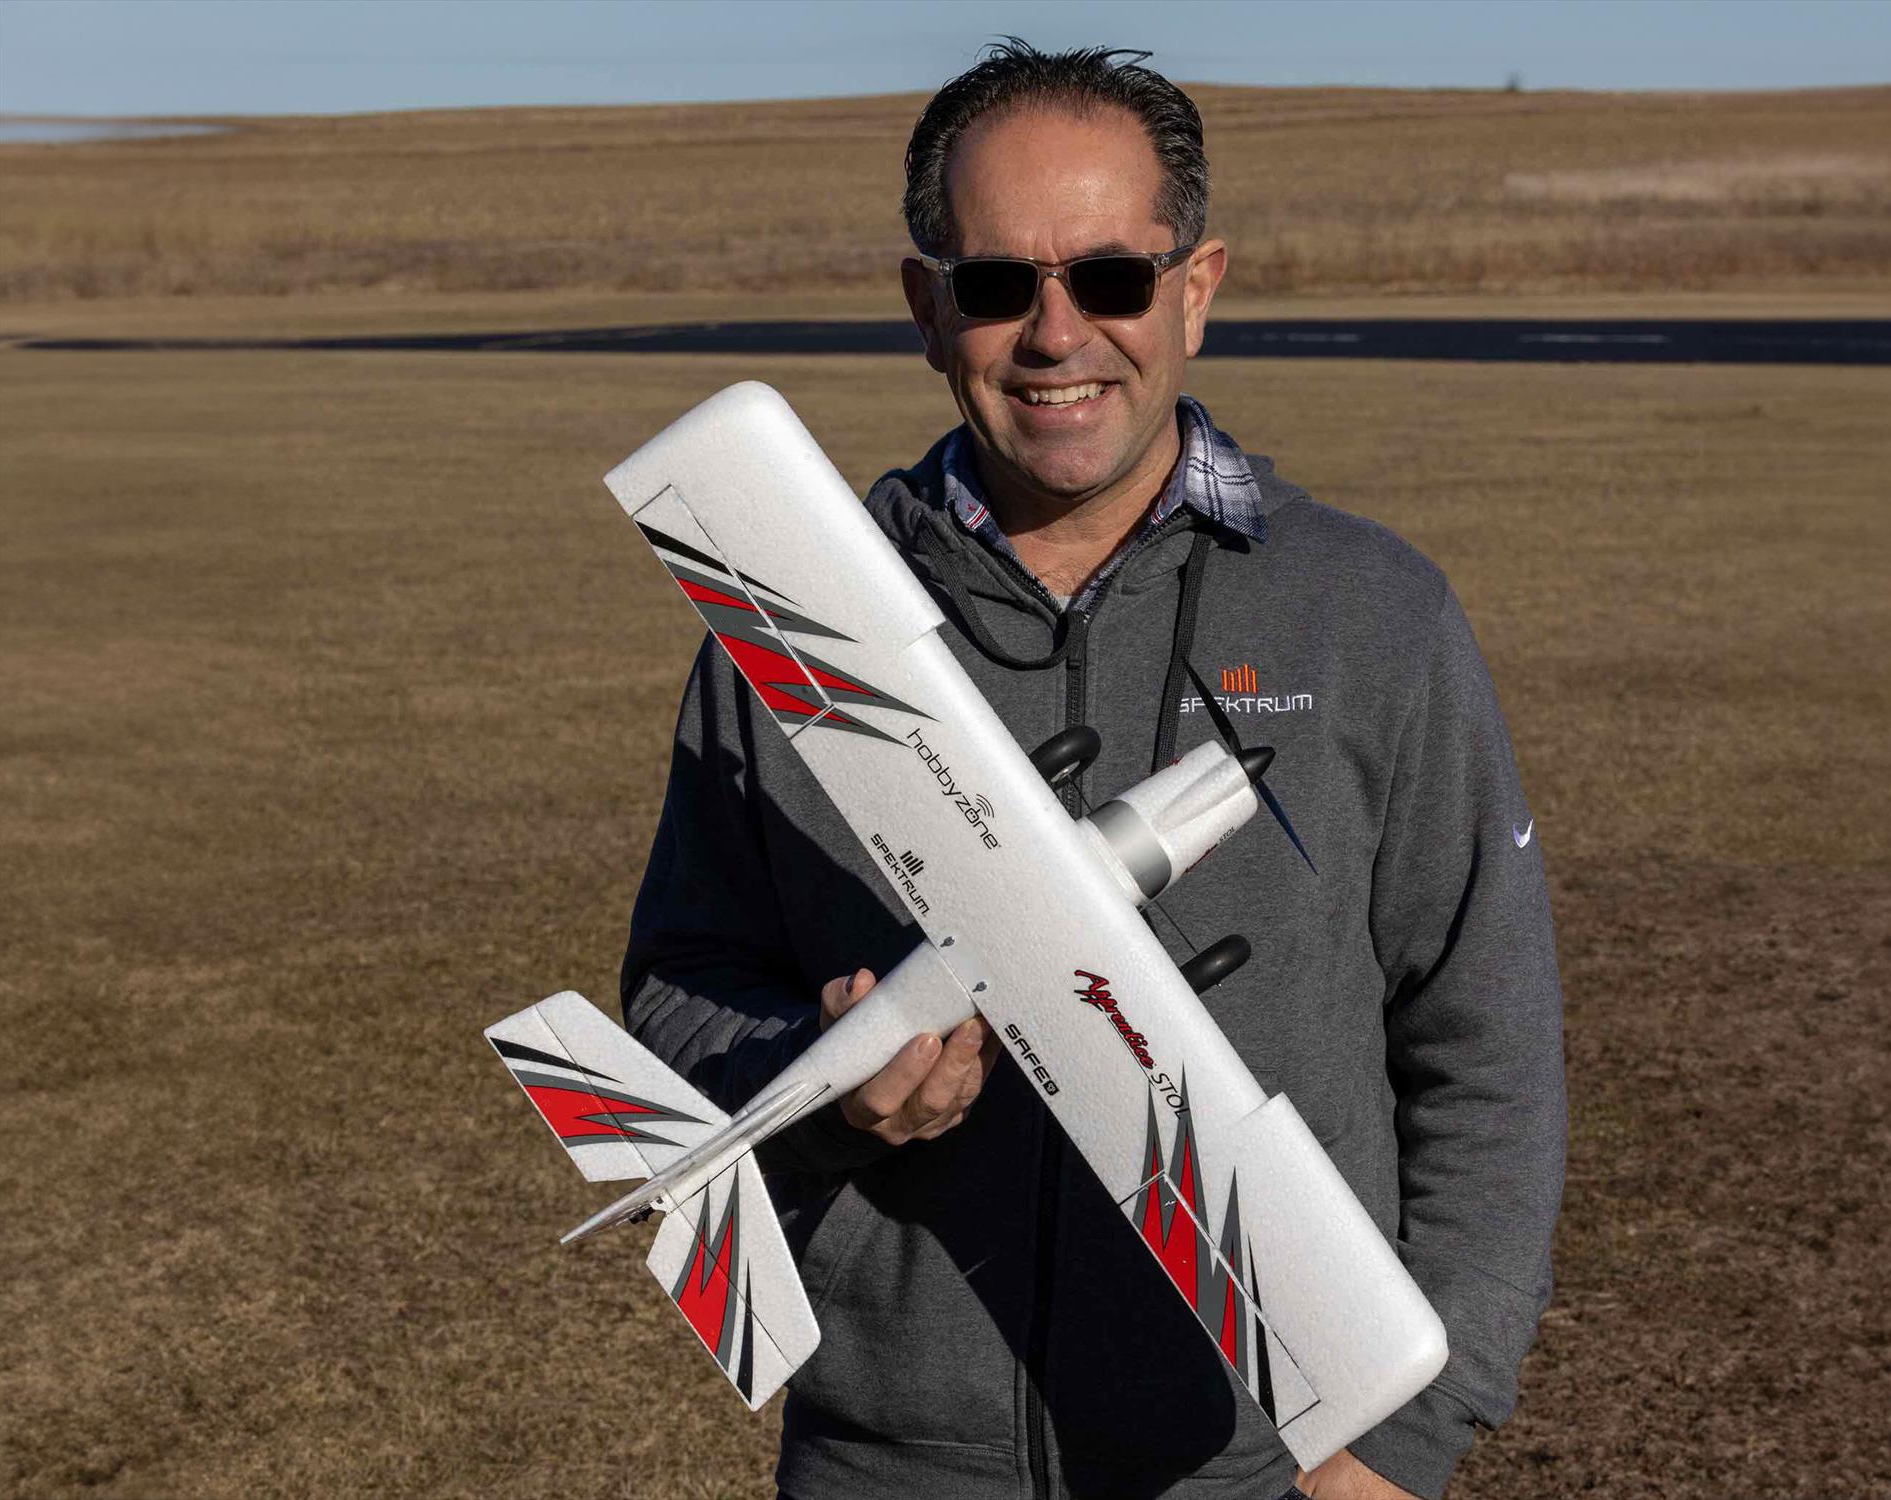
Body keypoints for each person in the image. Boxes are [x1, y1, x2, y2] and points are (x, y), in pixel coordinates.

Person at [622, 41, 1566, 1500]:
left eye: (1114, 277)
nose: (1058, 334)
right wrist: (819, 1087)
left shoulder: (1370, 616)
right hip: (890, 1464)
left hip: (1253, 1466)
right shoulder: (794, 622)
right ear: (927, 307)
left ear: (1197, 287)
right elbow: (680, 988)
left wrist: (1401, 1435)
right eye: (999, 283)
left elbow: (1490, 1049)